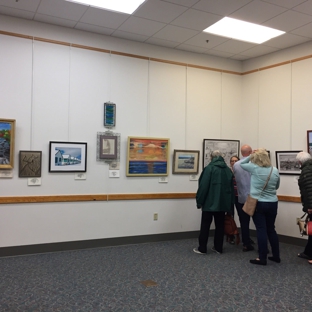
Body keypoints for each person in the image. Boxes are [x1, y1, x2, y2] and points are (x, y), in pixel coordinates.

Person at [240, 148, 280, 265]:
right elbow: (277, 186)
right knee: (271, 229)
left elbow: (241, 164)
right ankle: (276, 256)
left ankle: (262, 258)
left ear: (255, 159)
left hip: (259, 203)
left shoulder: (254, 168)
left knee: (261, 230)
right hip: (273, 202)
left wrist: (251, 155)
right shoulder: (275, 170)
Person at [193, 150, 234, 255]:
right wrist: (230, 206)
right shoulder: (228, 171)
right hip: (222, 204)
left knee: (205, 226)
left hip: (209, 203)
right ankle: (218, 248)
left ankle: (202, 248)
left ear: (211, 157)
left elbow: (203, 187)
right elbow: (231, 190)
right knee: (220, 226)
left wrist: (199, 201)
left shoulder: (209, 169)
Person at [233, 145, 254, 252]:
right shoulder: (254, 163)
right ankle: (263, 247)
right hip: (253, 198)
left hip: (241, 197)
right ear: (250, 152)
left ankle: (246, 244)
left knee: (244, 222)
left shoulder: (236, 165)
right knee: (259, 223)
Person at [296, 151, 312, 263]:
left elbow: (309, 190)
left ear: (300, 161)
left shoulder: (306, 171)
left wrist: (310, 206)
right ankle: (308, 252)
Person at [228, 155, 240, 244]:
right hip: (230, 197)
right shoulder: (228, 172)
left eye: (236, 160)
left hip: (239, 196)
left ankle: (244, 237)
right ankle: (230, 235)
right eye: (232, 161)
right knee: (230, 216)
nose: (234, 162)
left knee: (242, 216)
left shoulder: (242, 171)